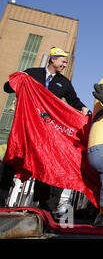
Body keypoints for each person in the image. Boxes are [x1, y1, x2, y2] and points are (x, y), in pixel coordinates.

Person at [0, 47, 89, 211]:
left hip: (46, 132)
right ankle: (1, 199)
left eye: (65, 62)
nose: (64, 64)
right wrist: (15, 81)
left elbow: (74, 100)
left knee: (46, 163)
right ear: (53, 59)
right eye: (62, 61)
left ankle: (45, 207)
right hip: (26, 126)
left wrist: (83, 108)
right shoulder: (32, 74)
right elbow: (9, 88)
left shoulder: (64, 82)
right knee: (12, 158)